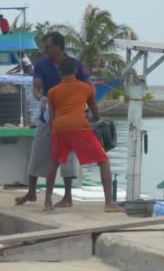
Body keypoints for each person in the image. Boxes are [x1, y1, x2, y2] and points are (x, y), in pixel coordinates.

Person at [14, 32, 87, 207]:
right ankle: (32, 191)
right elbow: (37, 88)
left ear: (59, 47)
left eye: (49, 47)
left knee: (67, 155)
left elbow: (87, 85)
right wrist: (42, 99)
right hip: (47, 112)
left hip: (68, 115)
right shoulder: (41, 64)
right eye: (45, 47)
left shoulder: (75, 64)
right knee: (38, 150)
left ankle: (67, 196)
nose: (46, 50)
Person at [44, 58, 123, 213]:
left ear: (60, 73)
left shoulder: (52, 92)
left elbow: (52, 119)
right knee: (103, 161)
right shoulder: (86, 88)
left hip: (59, 128)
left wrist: (54, 131)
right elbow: (96, 115)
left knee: (54, 162)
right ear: (76, 72)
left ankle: (47, 201)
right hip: (78, 127)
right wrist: (88, 119)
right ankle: (109, 203)